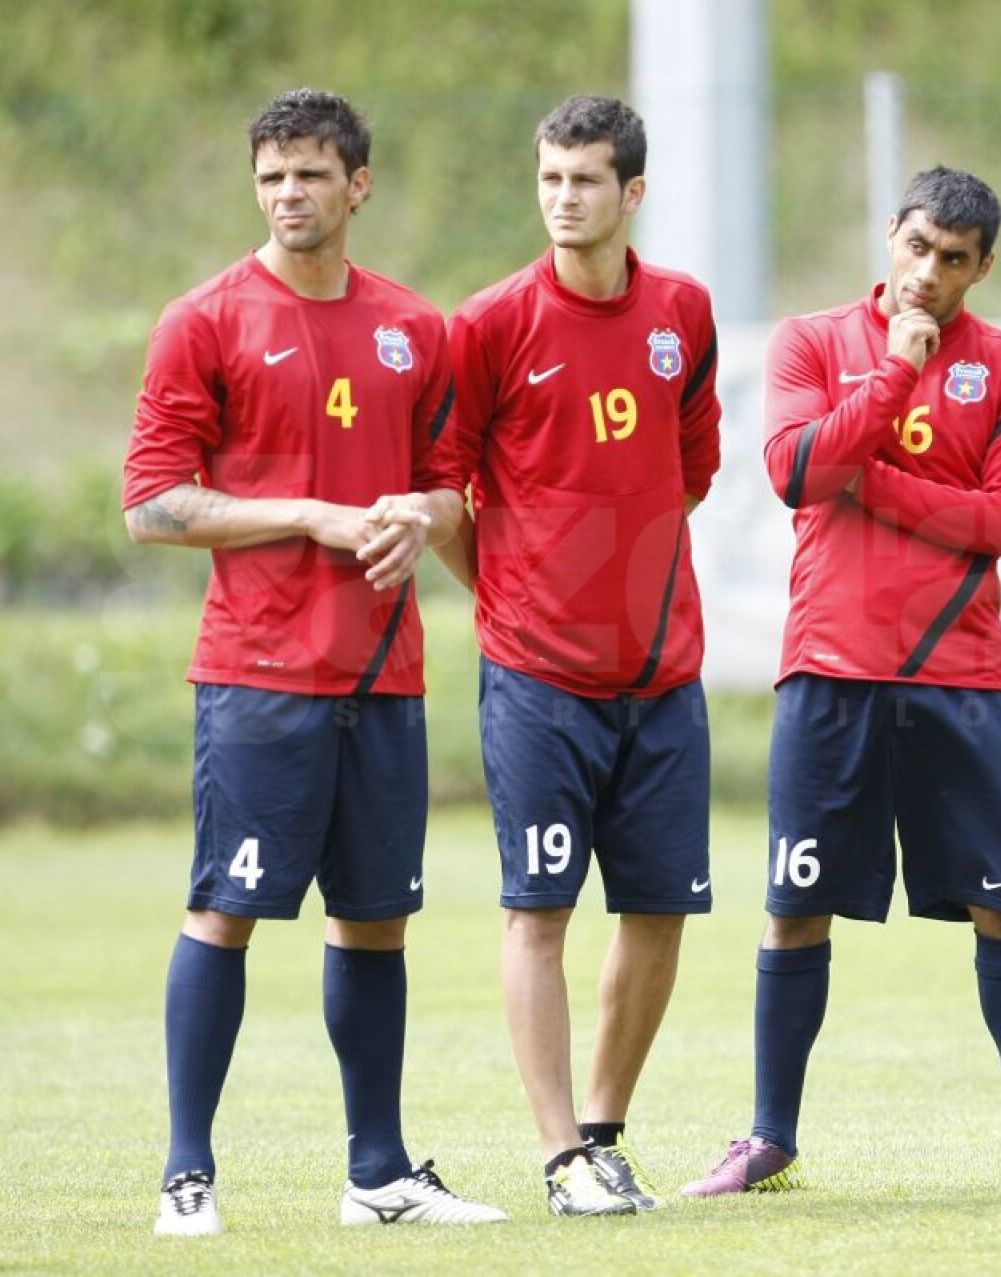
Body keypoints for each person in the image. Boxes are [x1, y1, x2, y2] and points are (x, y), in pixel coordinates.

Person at [682, 166, 1001, 1197]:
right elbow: (794, 472)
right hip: (830, 666)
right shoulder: (811, 343)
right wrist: (888, 379)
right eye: (917, 245)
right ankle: (769, 1136)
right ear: (890, 232)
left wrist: (866, 473)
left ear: (984, 266)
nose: (928, 272)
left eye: (954, 258)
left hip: (961, 673)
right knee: (794, 907)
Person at [123, 87, 507, 1236]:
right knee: (223, 911)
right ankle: (187, 1172)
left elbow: (450, 484)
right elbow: (151, 505)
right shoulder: (204, 320)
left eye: (310, 174)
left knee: (376, 920)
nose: (290, 194)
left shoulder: (414, 326)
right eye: (272, 176)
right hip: (258, 675)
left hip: (384, 676)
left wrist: (418, 515)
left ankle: (378, 1172)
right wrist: (314, 514)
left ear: (359, 186)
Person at [434, 94, 721, 1216]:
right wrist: (513, 592)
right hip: (536, 677)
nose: (563, 198)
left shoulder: (682, 313)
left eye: (586, 180)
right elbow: (446, 490)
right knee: (538, 910)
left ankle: (604, 1133)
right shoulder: (492, 321)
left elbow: (690, 472)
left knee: (658, 909)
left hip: (662, 674)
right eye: (550, 178)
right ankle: (560, 1156)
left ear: (632, 192)